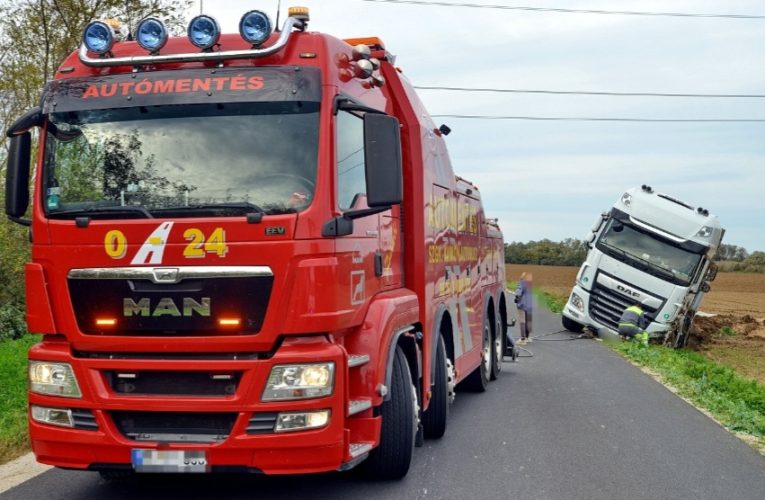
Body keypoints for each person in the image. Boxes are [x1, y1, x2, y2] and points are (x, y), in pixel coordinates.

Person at [515, 272, 533, 344]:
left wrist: (516, 298)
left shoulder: (521, 283)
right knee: (528, 321)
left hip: (522, 304)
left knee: (522, 321)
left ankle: (522, 339)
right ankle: (528, 337)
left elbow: (518, 292)